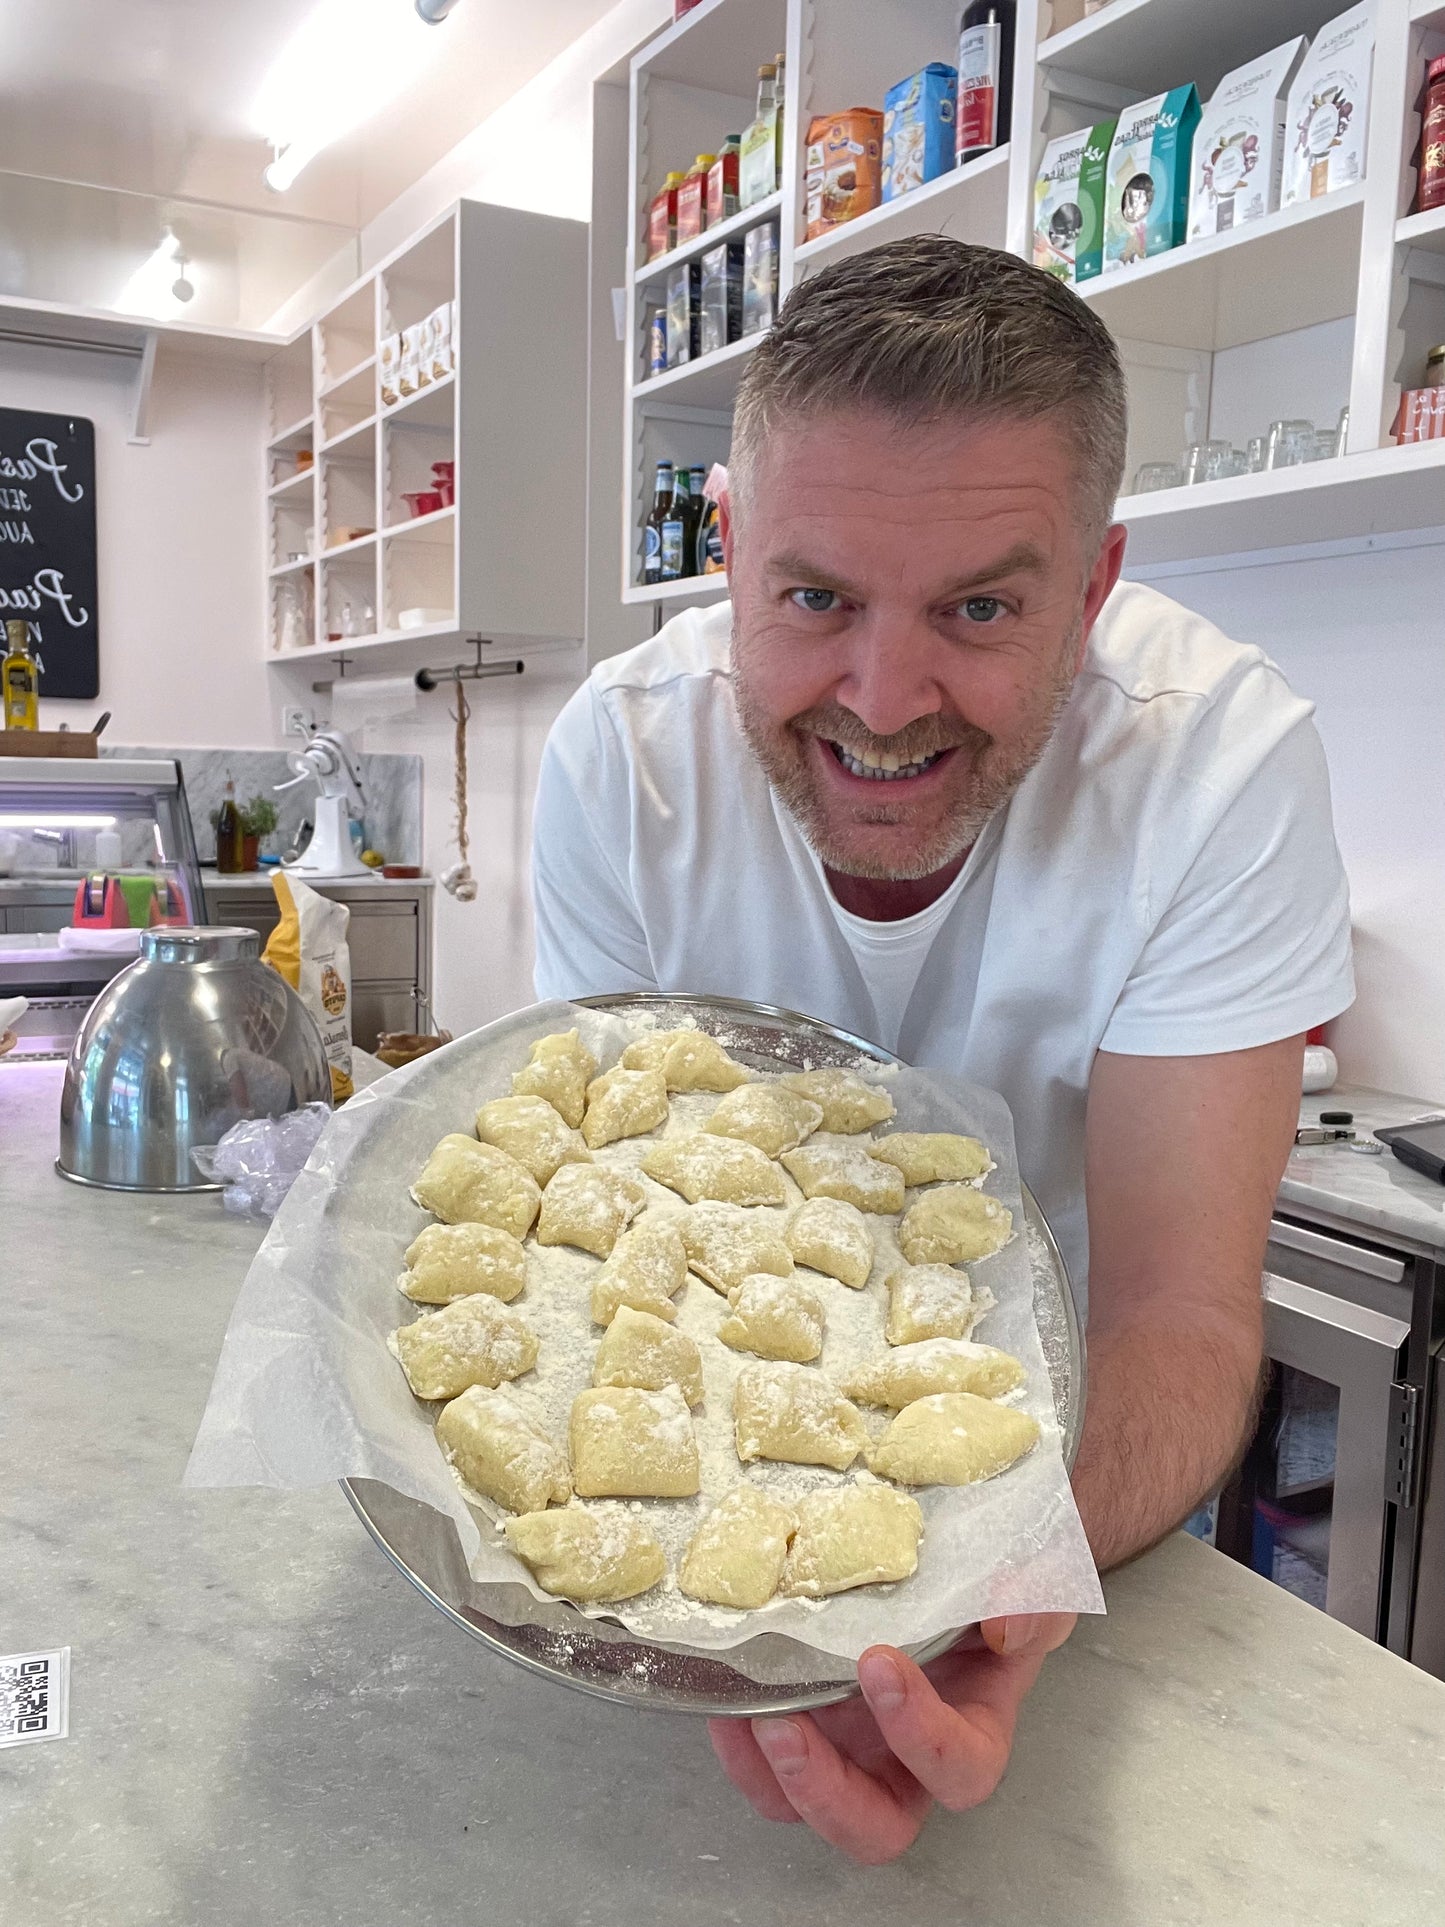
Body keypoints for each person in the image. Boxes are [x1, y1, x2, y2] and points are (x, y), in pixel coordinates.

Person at [531, 237, 1353, 1862]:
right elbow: (607, 1243)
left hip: (1065, 1482)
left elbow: (1181, 1307)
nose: (884, 698)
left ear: (1094, 585)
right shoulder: (620, 767)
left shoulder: (1216, 765)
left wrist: (968, 1593)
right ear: (728, 557)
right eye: (815, 598)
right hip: (708, 1489)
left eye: (979, 604)